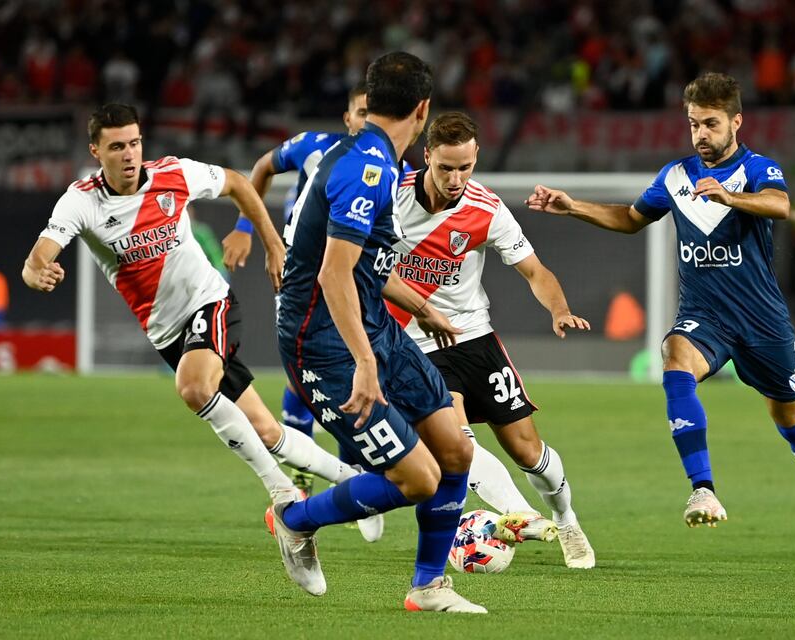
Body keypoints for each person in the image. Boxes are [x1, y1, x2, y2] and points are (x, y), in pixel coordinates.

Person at [21, 104, 382, 563]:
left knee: (193, 387)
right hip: (166, 331)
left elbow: (237, 182)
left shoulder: (174, 173)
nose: (129, 154)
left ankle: (283, 495)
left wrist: (269, 241)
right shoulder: (82, 201)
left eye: (134, 143)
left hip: (210, 302)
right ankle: (354, 481)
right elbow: (39, 255)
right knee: (265, 430)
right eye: (117, 147)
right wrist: (37, 272)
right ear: (96, 151)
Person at [526, 72, 795, 563]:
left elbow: (780, 205)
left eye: (711, 124)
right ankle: (703, 489)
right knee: (675, 358)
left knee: (790, 419)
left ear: (736, 122)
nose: (700, 133)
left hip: (761, 321)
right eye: (694, 124)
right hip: (704, 316)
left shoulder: (758, 169)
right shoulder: (675, 177)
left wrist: (729, 197)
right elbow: (631, 219)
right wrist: (574, 207)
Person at [273, 52, 486, 613]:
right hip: (324, 344)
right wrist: (365, 363)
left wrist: (422, 308)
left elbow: (364, 264)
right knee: (418, 479)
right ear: (423, 109)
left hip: (372, 325)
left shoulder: (371, 159)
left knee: (455, 450)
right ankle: (295, 519)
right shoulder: (367, 169)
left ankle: (428, 586)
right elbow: (333, 273)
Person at [389, 111, 595, 569]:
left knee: (527, 450)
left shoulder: (487, 209)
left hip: (475, 339)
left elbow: (534, 271)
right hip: (416, 344)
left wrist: (559, 309)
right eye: (446, 167)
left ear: (476, 156)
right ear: (427, 155)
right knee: (455, 442)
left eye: (465, 167)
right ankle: (522, 515)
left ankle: (566, 519)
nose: (456, 178)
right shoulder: (391, 199)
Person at [221, 83, 371, 494]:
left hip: (353, 275)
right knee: (302, 374)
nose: (366, 120)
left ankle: (350, 469)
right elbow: (262, 168)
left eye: (373, 113)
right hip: (302, 273)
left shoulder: (389, 167)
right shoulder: (313, 146)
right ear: (347, 118)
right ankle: (306, 469)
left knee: (351, 372)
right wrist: (245, 227)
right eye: (360, 112)